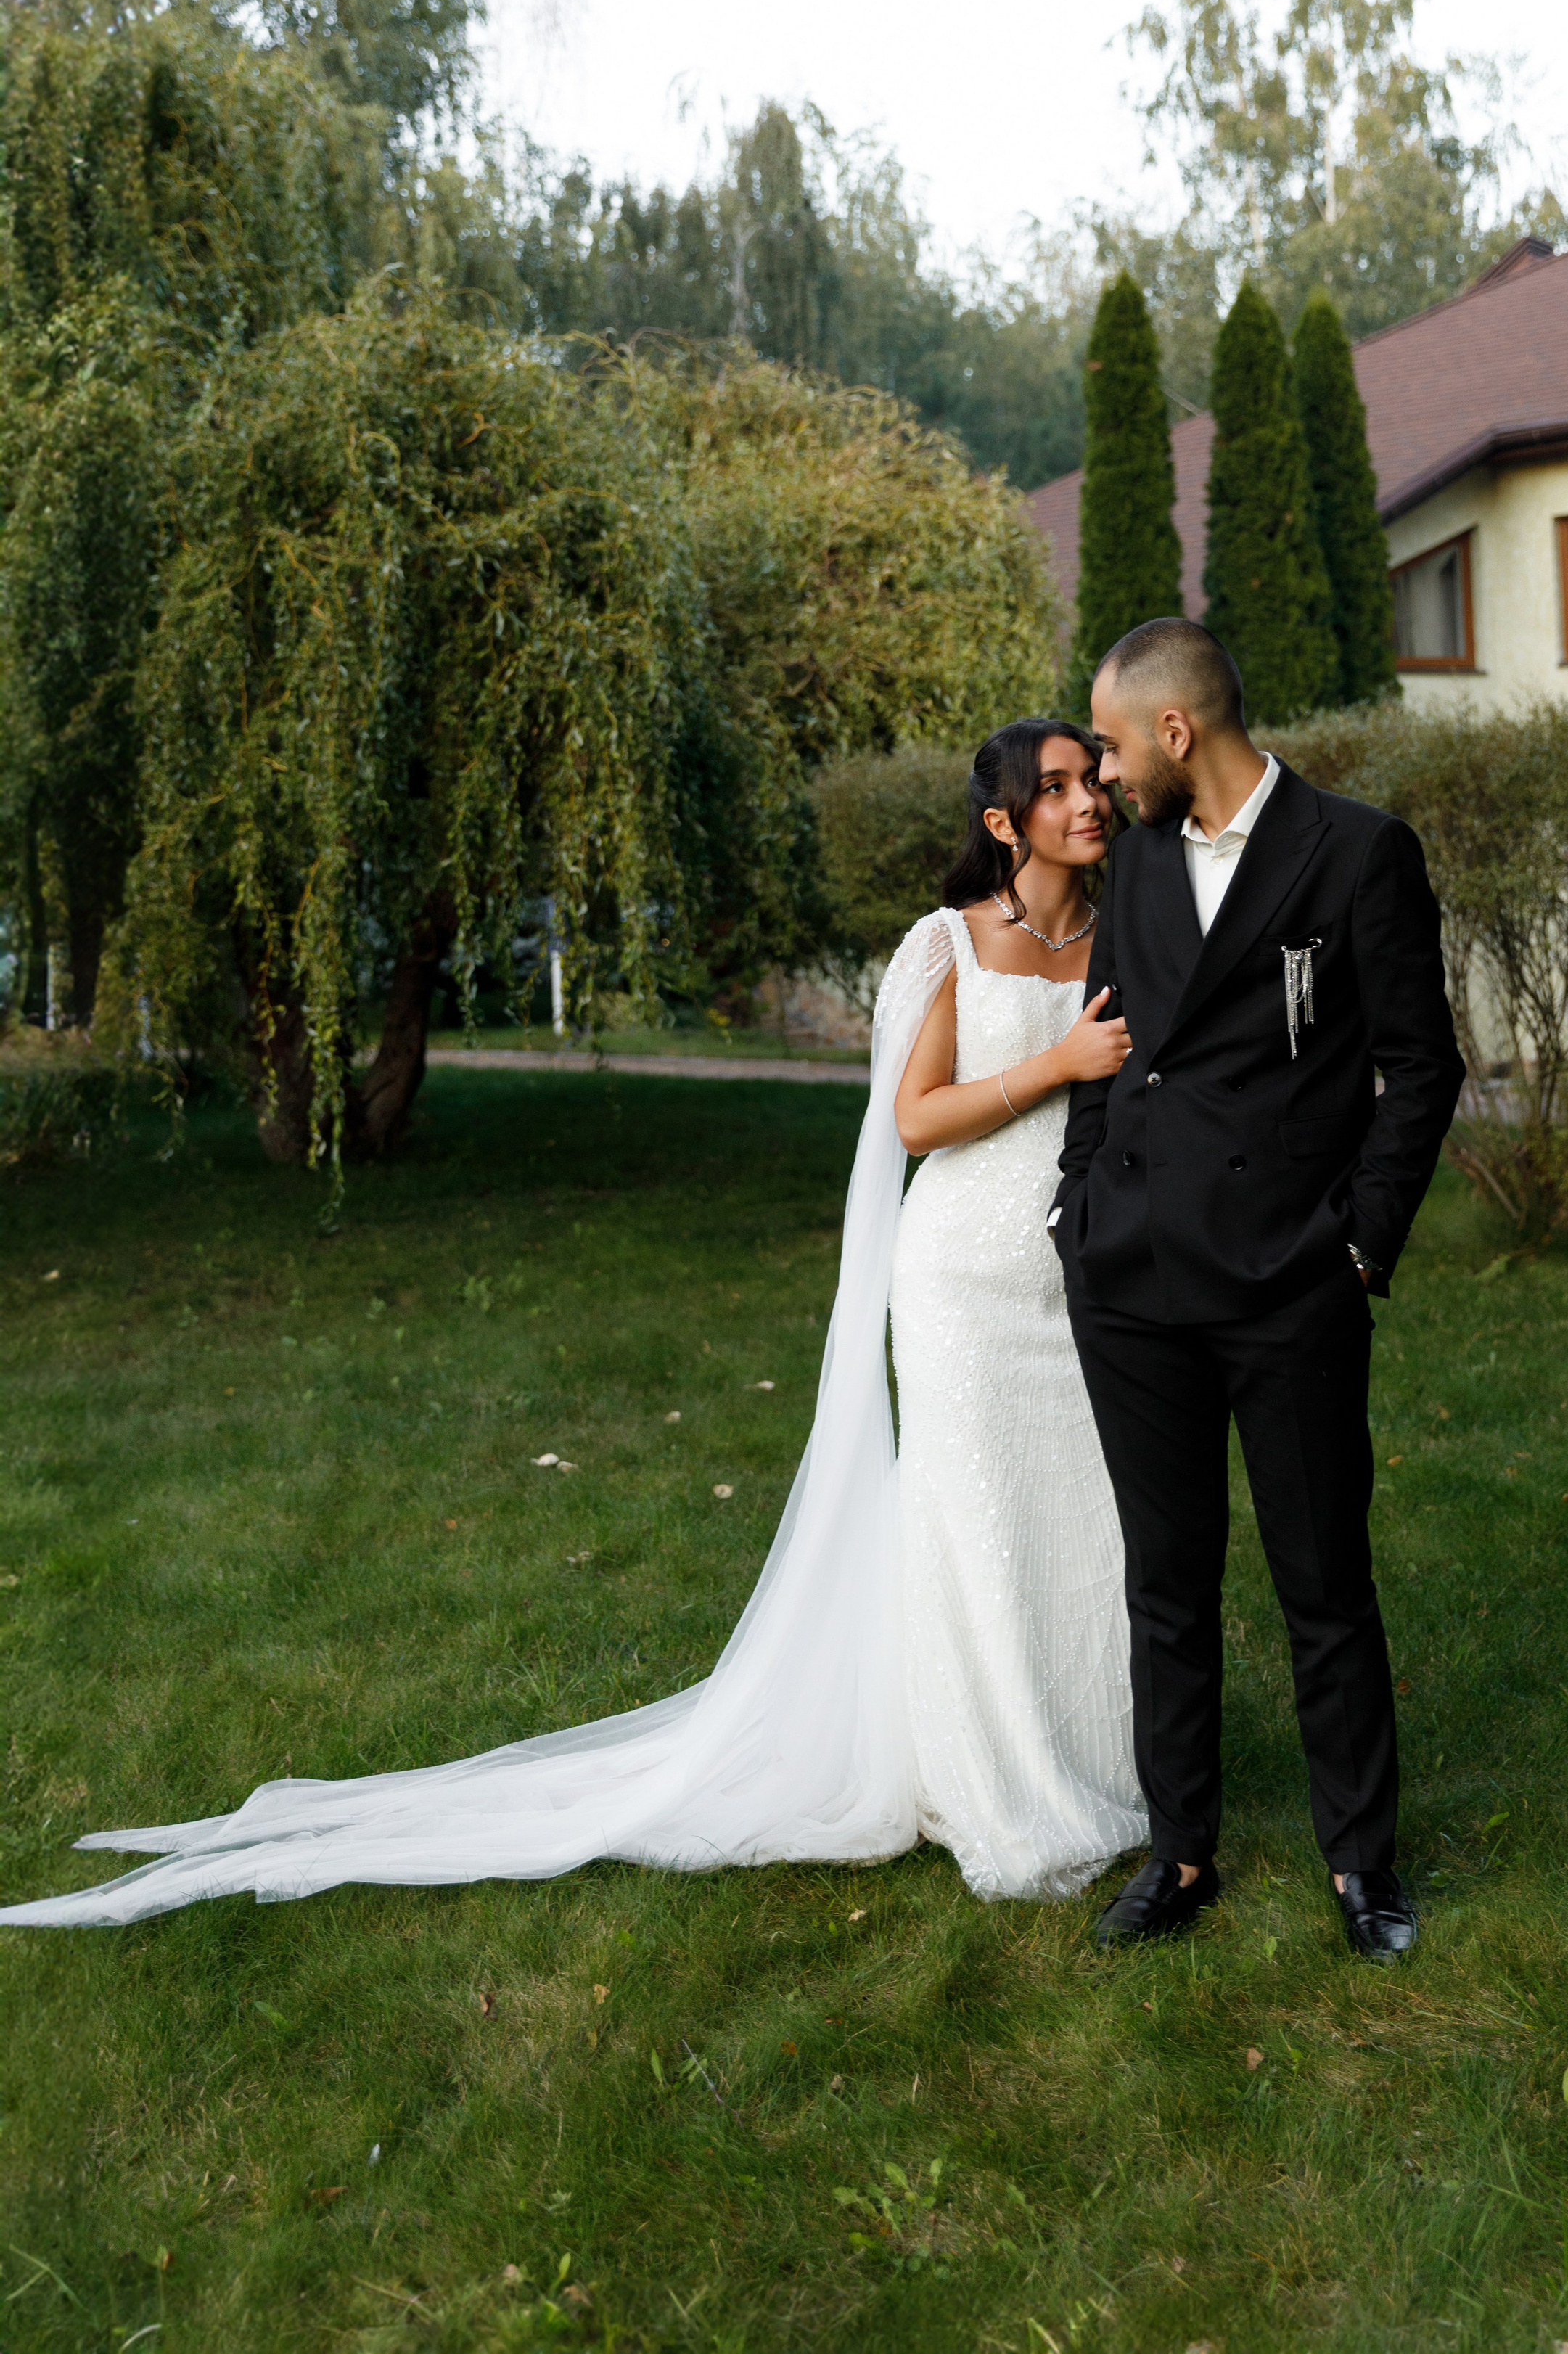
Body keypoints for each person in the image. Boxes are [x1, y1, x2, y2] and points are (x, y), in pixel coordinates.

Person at [0, 720, 1144, 1928]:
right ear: (1004, 823)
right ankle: (999, 1781)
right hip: (964, 1278)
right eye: (1056, 789)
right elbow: (911, 1120)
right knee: (978, 1520)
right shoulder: (947, 944)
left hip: (1080, 1276)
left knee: (1078, 1510)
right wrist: (1061, 1059)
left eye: (1090, 783)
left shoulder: (1121, 933)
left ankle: (1104, 1754)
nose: (1088, 804)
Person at [1049, 618, 1464, 1964]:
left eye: (1109, 747)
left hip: (1292, 1279)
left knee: (1323, 1578)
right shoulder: (1144, 863)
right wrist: (1079, 1202)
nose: (1099, 778)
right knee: (1165, 1582)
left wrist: (1359, 1242)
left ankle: (1361, 1861)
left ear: (1177, 732)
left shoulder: (1356, 852)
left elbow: (1423, 1065)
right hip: (1135, 1274)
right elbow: (1113, 1043)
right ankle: (1180, 1852)